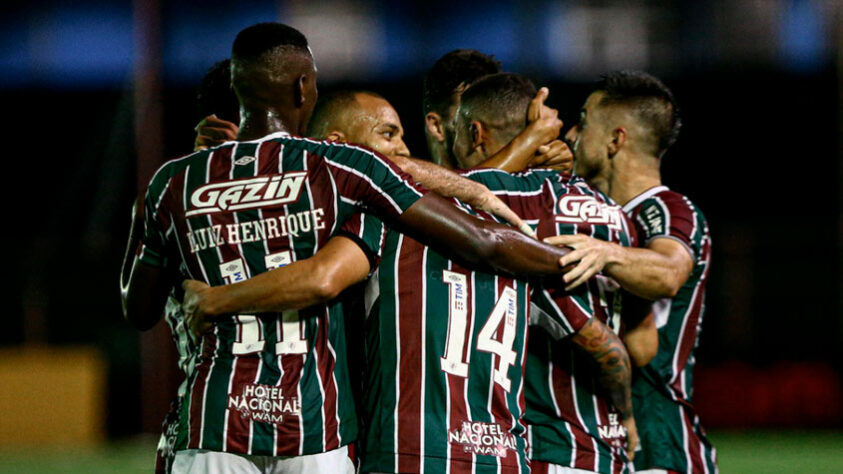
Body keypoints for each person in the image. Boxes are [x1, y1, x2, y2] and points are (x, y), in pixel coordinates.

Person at [122, 22, 577, 473]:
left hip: (212, 420)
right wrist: (577, 258)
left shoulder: (172, 183)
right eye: (389, 136)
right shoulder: (339, 172)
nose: (400, 148)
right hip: (316, 428)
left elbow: (138, 308)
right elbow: (482, 240)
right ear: (304, 88)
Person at [183, 73, 637, 473]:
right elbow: (603, 344)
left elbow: (322, 276)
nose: (402, 146)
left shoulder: (378, 221)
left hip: (398, 450)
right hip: (501, 452)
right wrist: (626, 413)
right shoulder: (523, 230)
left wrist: (217, 297)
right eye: (388, 134)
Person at [452, 72, 647, 474]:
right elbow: (638, 344)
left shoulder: (510, 204)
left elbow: (429, 192)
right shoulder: (618, 217)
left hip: (549, 446)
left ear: (475, 134)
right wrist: (625, 414)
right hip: (608, 444)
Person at [551, 70, 717, 473]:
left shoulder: (666, 209)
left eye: (585, 120)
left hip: (658, 437)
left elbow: (668, 272)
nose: (572, 133)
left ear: (616, 140)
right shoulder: (589, 211)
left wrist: (606, 253)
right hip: (601, 437)